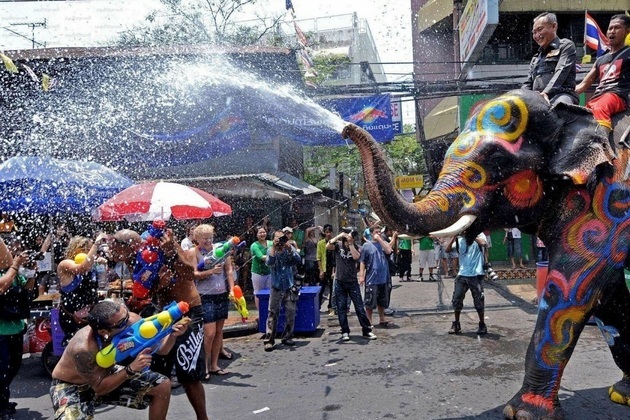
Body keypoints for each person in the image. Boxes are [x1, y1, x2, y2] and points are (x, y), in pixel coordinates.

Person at [50, 299, 187, 420]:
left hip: (107, 374)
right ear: (104, 332)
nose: (128, 321)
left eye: (126, 314)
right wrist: (130, 370)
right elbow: (99, 388)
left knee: (161, 385)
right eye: (122, 322)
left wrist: (172, 335)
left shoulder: (131, 320)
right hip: (72, 384)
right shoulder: (83, 349)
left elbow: (162, 350)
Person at [150, 226, 209, 420]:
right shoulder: (148, 252)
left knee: (189, 374)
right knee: (159, 376)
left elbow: (190, 274)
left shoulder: (179, 249)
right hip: (163, 315)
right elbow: (148, 290)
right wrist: (160, 284)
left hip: (189, 312)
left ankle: (203, 418)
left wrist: (171, 253)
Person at [190, 224, 234, 380]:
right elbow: (194, 274)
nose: (208, 241)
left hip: (221, 294)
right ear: (197, 239)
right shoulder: (194, 252)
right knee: (209, 333)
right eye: (205, 239)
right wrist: (210, 271)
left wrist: (232, 289)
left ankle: (214, 365)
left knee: (219, 332)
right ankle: (203, 366)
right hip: (204, 295)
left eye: (210, 237)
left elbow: (229, 270)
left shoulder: (221, 248)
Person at [576, 14, 630, 140]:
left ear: (627, 31)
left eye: (617, 28)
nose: (612, 31)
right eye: (610, 28)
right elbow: (583, 85)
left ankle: (601, 146)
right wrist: (564, 92)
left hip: (617, 95)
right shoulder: (600, 59)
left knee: (601, 107)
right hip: (598, 97)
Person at [0, 238, 32, 420]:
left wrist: (32, 270)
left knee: (13, 367)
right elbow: (2, 286)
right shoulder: (8, 271)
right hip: (1, 332)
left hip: (16, 328)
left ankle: (3, 399)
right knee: (1, 370)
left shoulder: (11, 271)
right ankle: (2, 405)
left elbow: (27, 288)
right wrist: (15, 266)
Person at [57, 233, 108, 346]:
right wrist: (96, 244)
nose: (93, 252)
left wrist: (101, 267)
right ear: (78, 249)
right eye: (89, 249)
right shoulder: (65, 264)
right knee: (77, 347)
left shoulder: (90, 264)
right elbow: (82, 268)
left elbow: (101, 283)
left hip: (88, 315)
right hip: (72, 316)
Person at [326, 230, 376, 341]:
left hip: (352, 282)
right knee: (341, 308)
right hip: (340, 282)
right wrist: (339, 235)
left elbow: (356, 257)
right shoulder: (338, 246)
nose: (351, 237)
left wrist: (351, 244)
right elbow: (327, 246)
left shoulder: (357, 247)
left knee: (359, 307)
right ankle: (345, 331)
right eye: (350, 235)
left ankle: (366, 330)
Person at [522, 12, 578, 105]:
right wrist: (520, 97)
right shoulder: (536, 58)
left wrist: (546, 92)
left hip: (562, 95)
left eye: (540, 29)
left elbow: (561, 71)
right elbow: (528, 83)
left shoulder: (566, 46)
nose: (537, 35)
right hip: (537, 99)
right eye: (534, 32)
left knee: (560, 108)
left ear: (554, 26)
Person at [263, 229, 302, 352]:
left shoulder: (289, 248)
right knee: (272, 313)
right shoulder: (270, 250)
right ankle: (269, 340)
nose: (280, 240)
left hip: (289, 286)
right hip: (276, 287)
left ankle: (287, 337)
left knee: (291, 312)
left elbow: (298, 261)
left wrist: (290, 249)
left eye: (282, 238)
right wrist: (274, 248)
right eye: (277, 238)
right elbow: (270, 262)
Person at [447, 232, 488, 335]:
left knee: (479, 300)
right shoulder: (459, 239)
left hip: (476, 274)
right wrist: (454, 236)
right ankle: (456, 324)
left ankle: (482, 324)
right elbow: (447, 249)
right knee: (457, 299)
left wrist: (471, 235)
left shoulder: (479, 235)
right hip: (463, 274)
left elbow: (483, 243)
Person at [359, 226, 393, 327]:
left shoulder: (384, 243)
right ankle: (369, 321)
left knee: (382, 301)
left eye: (379, 232)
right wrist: (361, 275)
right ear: (371, 233)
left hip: (384, 277)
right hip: (372, 278)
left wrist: (380, 240)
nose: (378, 234)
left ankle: (382, 318)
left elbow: (388, 251)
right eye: (376, 232)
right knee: (370, 301)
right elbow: (362, 262)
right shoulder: (366, 246)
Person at [250, 226, 271, 311]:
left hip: (269, 272)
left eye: (264, 232)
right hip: (257, 273)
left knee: (270, 292)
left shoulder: (271, 243)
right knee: (258, 293)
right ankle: (260, 313)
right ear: (256, 235)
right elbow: (261, 257)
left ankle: (269, 311)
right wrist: (273, 256)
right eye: (260, 233)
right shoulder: (254, 245)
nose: (262, 234)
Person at [317, 224, 335, 314]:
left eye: (329, 232)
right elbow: (318, 258)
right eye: (326, 232)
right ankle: (317, 306)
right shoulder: (320, 243)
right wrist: (320, 271)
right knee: (321, 288)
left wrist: (334, 271)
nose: (328, 234)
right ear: (324, 232)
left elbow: (335, 259)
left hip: (332, 268)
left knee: (332, 289)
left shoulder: (334, 243)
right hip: (324, 269)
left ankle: (331, 307)